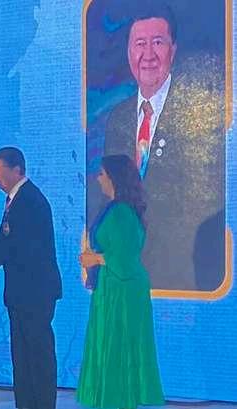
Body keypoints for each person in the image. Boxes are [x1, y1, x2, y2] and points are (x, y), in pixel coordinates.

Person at [103, 1, 225, 290]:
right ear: (129, 52)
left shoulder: (197, 114)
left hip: (181, 275)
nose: (148, 55)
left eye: (157, 42)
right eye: (139, 44)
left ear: (173, 49)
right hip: (125, 272)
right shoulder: (117, 119)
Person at [0, 147, 62, 409]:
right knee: (22, 357)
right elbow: (11, 241)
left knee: (37, 357)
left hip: (35, 292)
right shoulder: (16, 199)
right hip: (21, 293)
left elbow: (16, 245)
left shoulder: (29, 200)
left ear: (16, 169)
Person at [77, 154, 164, 409]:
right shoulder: (115, 209)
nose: (98, 179)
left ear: (114, 178)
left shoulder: (122, 213)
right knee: (111, 344)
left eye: (102, 174)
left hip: (121, 291)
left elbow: (125, 258)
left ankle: (116, 400)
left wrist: (96, 258)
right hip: (112, 287)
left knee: (117, 345)